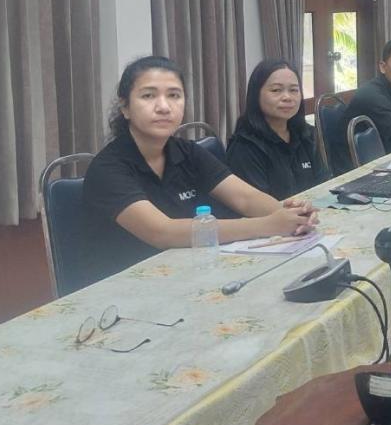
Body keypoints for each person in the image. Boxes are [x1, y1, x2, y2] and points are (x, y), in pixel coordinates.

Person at [83, 56, 319, 275]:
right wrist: (268, 225)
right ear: (125, 107)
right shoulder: (107, 169)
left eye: (174, 95)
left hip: (188, 270)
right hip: (126, 284)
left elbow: (245, 198)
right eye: (148, 96)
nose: (164, 106)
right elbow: (162, 232)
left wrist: (290, 214)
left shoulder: (189, 152)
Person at [227, 59, 329, 201]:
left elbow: (324, 185)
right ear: (256, 95)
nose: (287, 97)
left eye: (294, 90)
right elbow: (258, 207)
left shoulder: (307, 134)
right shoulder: (244, 147)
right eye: (276, 90)